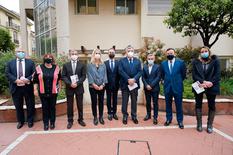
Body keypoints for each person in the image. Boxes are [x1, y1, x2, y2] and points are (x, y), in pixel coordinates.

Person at [191, 46, 220, 133]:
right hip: (199, 84)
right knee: (198, 104)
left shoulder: (215, 61)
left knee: (211, 105)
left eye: (205, 51)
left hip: (212, 85)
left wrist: (210, 82)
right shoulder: (196, 62)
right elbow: (194, 75)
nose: (204, 53)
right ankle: (199, 124)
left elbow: (217, 74)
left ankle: (209, 125)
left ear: (209, 52)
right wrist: (202, 82)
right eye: (202, 51)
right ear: (200, 53)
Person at [5, 49, 35, 129]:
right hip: (16, 87)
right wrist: (16, 80)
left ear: (24, 53)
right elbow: (7, 73)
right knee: (18, 106)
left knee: (30, 105)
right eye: (18, 51)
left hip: (27, 87)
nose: (20, 53)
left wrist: (27, 79)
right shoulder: (10, 63)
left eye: (22, 51)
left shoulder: (30, 62)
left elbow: (34, 73)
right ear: (15, 53)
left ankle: (30, 120)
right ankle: (20, 121)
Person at [33, 54, 61, 131]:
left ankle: (52, 122)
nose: (48, 59)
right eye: (46, 58)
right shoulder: (39, 68)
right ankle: (45, 123)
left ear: (52, 59)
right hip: (43, 92)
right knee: (45, 108)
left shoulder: (57, 68)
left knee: (52, 108)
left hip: (53, 92)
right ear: (44, 59)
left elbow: (59, 79)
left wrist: (59, 88)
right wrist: (35, 90)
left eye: (50, 58)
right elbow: (35, 80)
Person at [160, 48, 186, 129]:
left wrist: (177, 81)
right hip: (167, 87)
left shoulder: (181, 62)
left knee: (179, 105)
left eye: (171, 53)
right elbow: (162, 75)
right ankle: (168, 119)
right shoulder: (163, 63)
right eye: (168, 53)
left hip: (177, 87)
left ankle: (180, 121)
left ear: (174, 54)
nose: (169, 54)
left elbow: (183, 75)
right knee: (168, 105)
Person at [62, 49, 86, 129]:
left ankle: (80, 119)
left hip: (79, 87)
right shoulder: (66, 65)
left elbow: (83, 76)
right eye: (72, 54)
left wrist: (77, 83)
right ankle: (70, 121)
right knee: (70, 106)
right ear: (70, 55)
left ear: (78, 55)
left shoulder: (82, 65)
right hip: (69, 88)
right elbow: (63, 76)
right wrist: (70, 83)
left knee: (80, 105)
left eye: (75, 54)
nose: (74, 55)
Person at [119, 45, 142, 125]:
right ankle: (125, 116)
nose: (130, 52)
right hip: (125, 84)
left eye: (131, 50)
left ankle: (134, 116)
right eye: (128, 50)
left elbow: (140, 72)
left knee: (134, 101)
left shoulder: (137, 61)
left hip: (134, 84)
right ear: (126, 52)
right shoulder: (122, 61)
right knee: (124, 101)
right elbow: (121, 71)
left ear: (134, 52)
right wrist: (128, 79)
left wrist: (134, 79)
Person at [87, 49, 108, 125]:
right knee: (94, 102)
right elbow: (89, 75)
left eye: (99, 53)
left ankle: (101, 117)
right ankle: (95, 117)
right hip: (93, 87)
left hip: (102, 86)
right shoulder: (90, 64)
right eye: (96, 53)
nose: (97, 54)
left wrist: (102, 84)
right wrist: (94, 84)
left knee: (101, 102)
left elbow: (105, 75)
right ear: (93, 54)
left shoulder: (103, 64)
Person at [142, 53, 161, 125]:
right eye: (149, 59)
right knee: (148, 102)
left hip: (155, 88)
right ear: (147, 59)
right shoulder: (144, 67)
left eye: (152, 59)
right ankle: (148, 115)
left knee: (155, 103)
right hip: (147, 88)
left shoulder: (158, 67)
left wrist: (151, 85)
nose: (150, 60)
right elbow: (143, 77)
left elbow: (158, 77)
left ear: (154, 59)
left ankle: (155, 117)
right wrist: (146, 85)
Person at [104, 48, 120, 121]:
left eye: (112, 52)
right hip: (108, 84)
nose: (111, 53)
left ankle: (114, 113)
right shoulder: (105, 63)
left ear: (115, 53)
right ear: (108, 53)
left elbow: (120, 74)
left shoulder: (118, 63)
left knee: (115, 99)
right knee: (108, 99)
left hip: (116, 84)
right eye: (110, 52)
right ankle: (109, 113)